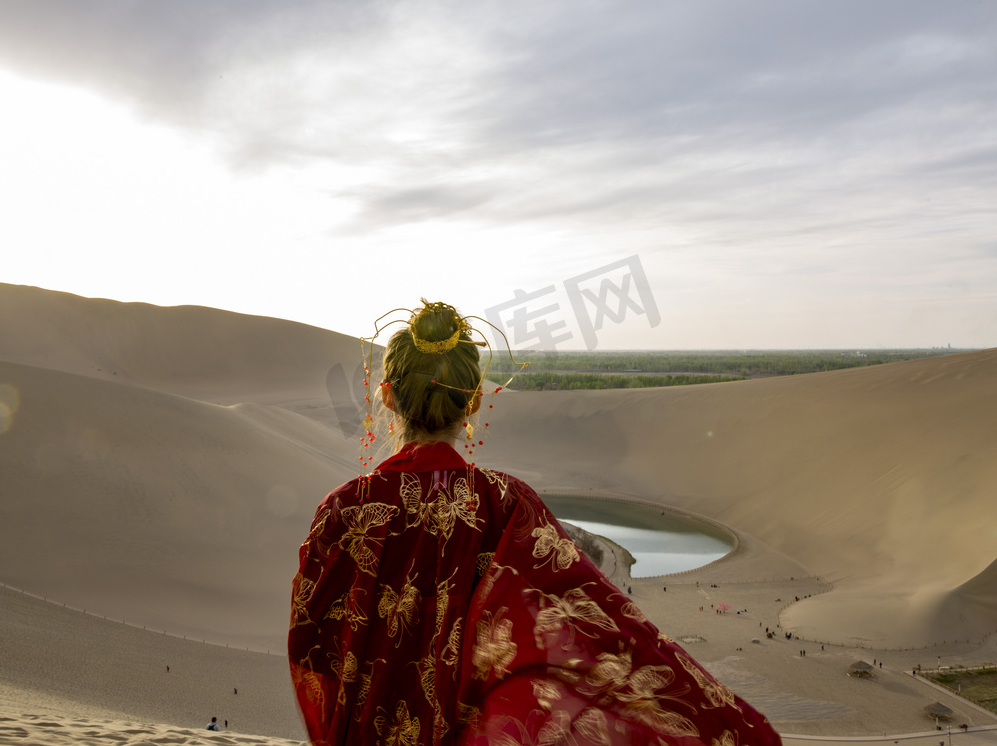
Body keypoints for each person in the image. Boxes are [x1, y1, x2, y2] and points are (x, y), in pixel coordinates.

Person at [288, 300, 780, 746]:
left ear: (387, 397)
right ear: (474, 402)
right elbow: (593, 623)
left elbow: (312, 647)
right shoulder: (506, 504)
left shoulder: (343, 511)